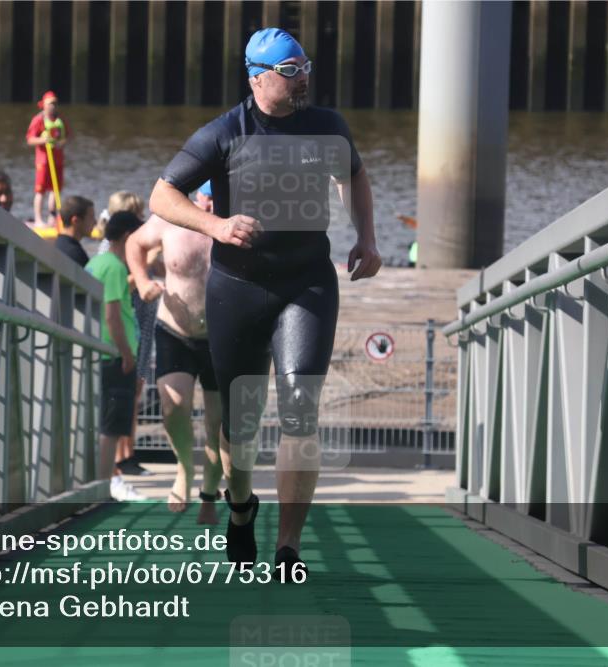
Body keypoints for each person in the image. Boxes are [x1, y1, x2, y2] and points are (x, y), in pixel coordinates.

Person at [149, 28, 381, 581]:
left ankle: (288, 547)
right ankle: (242, 505)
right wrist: (217, 224)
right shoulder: (226, 132)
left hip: (307, 284)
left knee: (301, 410)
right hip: (238, 289)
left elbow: (354, 174)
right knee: (240, 422)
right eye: (290, 71)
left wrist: (366, 237)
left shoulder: (327, 125)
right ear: (257, 77)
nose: (303, 79)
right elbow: (163, 194)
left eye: (305, 67)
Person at [126, 182, 222, 524]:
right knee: (173, 406)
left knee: (218, 425)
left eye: (219, 197)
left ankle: (209, 493)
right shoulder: (170, 220)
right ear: (197, 196)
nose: (211, 206)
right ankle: (184, 468)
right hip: (176, 332)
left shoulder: (236, 223)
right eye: (208, 197)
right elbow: (135, 243)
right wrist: (141, 279)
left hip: (221, 338)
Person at [86, 211, 147, 502]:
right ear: (127, 237)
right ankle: (104, 487)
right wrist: (127, 354)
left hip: (102, 353)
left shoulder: (96, 261)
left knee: (104, 424)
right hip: (114, 355)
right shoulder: (113, 267)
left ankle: (102, 482)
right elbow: (112, 315)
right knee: (111, 427)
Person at [26, 90, 68, 226]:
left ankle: (53, 218)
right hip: (43, 160)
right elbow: (30, 139)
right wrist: (42, 140)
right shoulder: (38, 120)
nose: (53, 107)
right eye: (50, 104)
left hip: (58, 160)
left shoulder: (60, 119)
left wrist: (62, 142)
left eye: (55, 104)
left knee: (55, 190)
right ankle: (38, 219)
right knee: (40, 190)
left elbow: (67, 136)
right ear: (43, 105)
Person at [54, 195, 95, 267]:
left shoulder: (57, 245)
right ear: (76, 221)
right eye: (91, 217)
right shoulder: (76, 254)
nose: (95, 222)